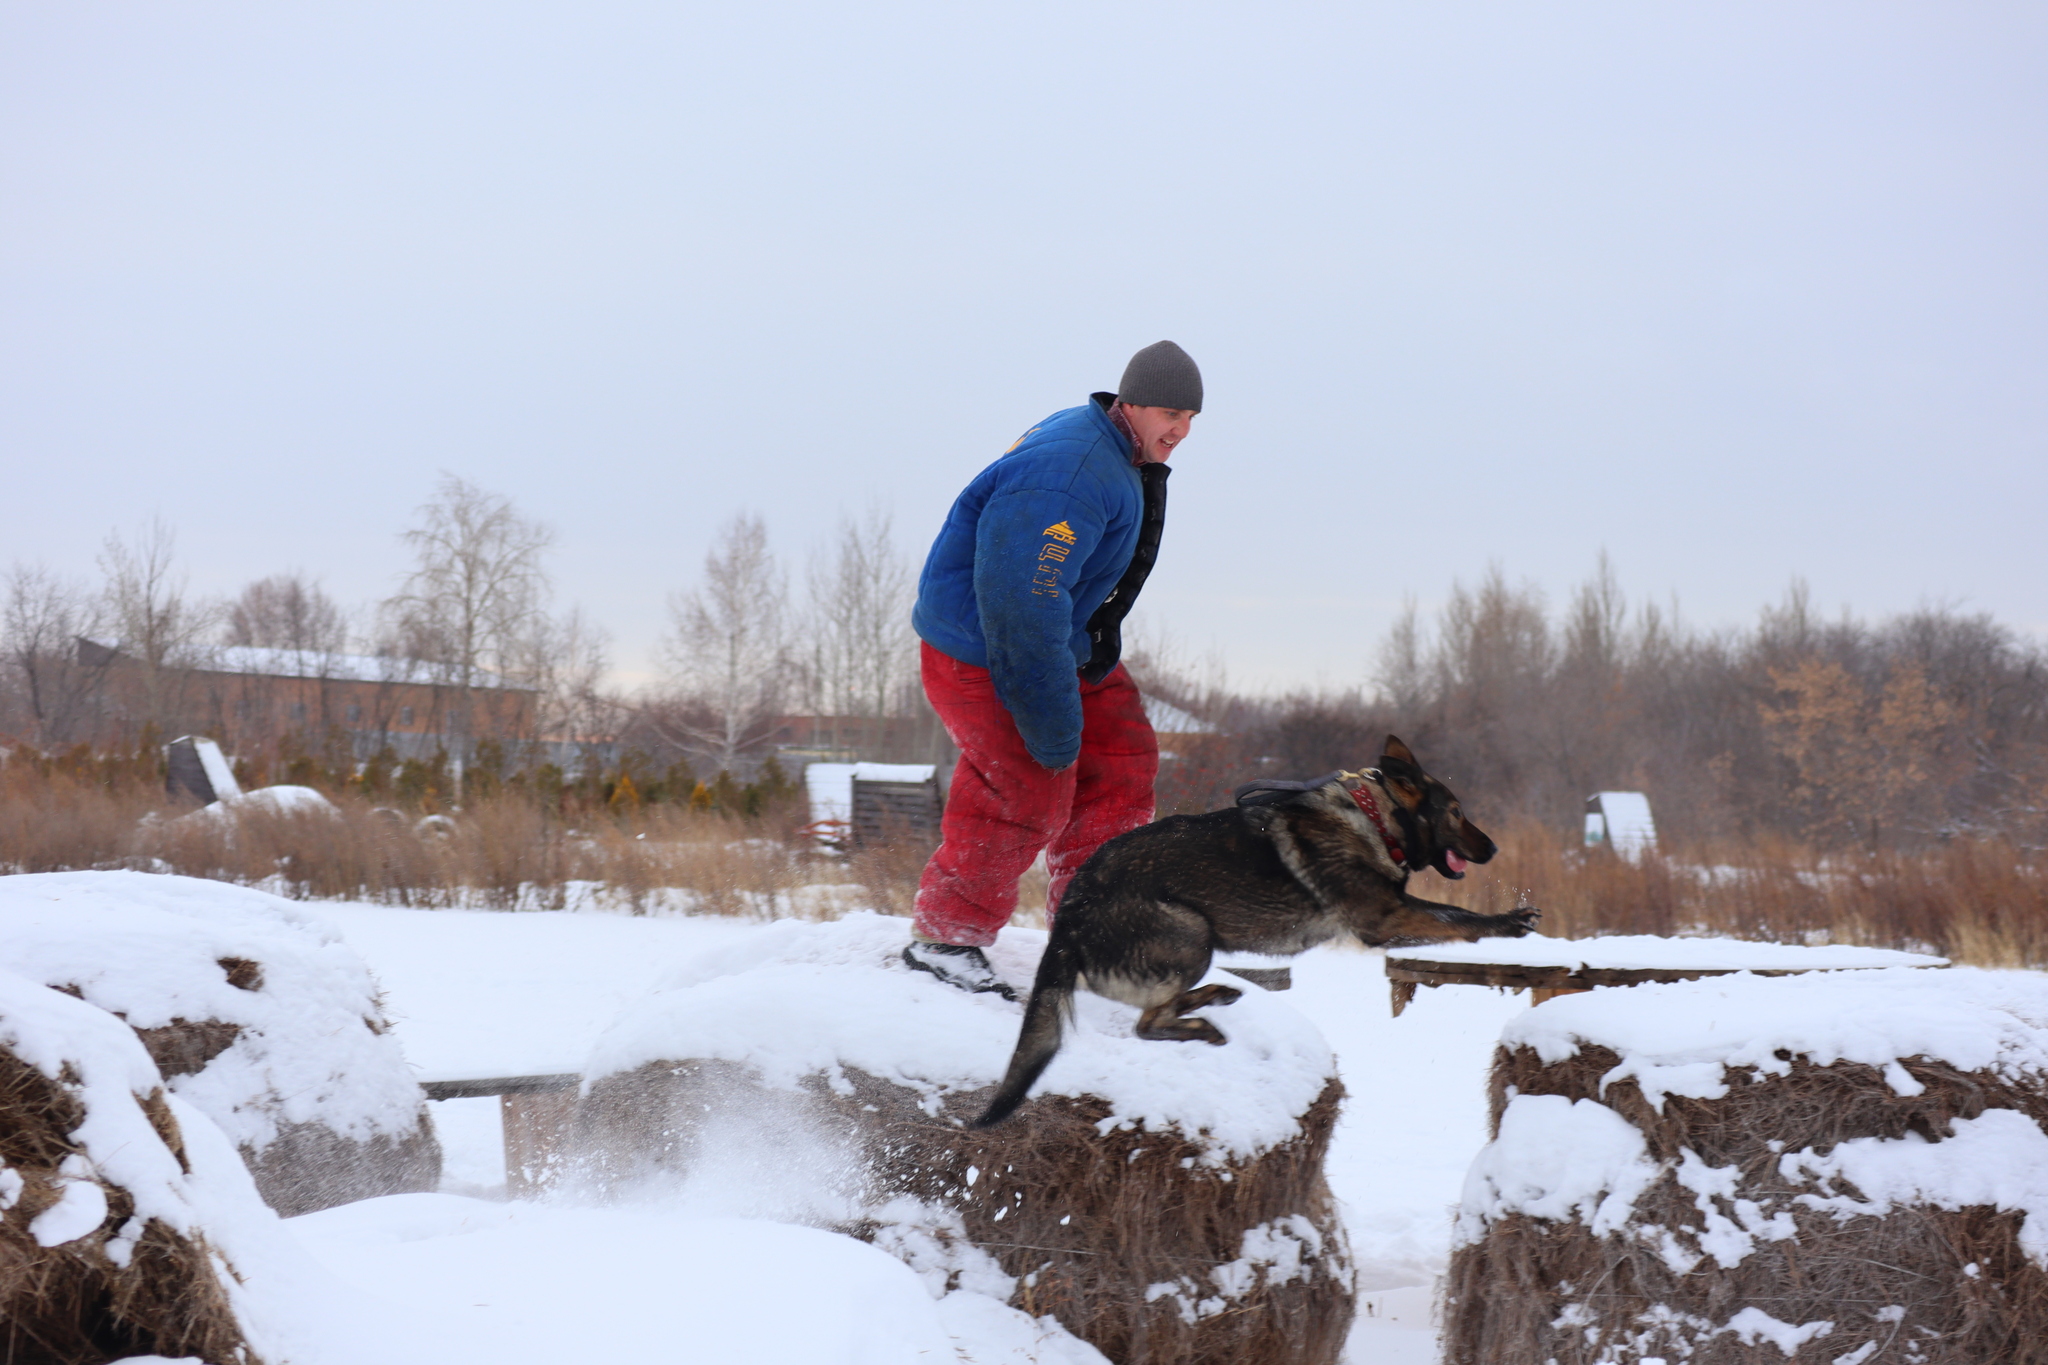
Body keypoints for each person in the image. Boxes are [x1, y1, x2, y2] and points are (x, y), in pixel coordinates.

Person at [903, 341, 1202, 995]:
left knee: (1119, 761)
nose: (1181, 430)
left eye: (1191, 418)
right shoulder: (1071, 471)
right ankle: (945, 939)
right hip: (986, 651)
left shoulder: (1118, 449)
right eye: (1171, 413)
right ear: (1132, 402)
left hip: (1058, 640)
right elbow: (1020, 601)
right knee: (1027, 785)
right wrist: (1047, 715)